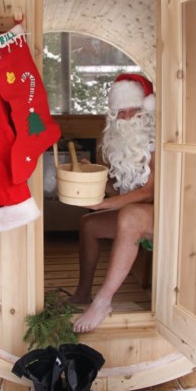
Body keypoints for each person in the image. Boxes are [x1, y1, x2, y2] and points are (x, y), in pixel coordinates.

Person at [71, 74, 156, 333]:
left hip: (166, 215)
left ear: (146, 112)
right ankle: (83, 293)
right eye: (121, 111)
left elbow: (147, 192)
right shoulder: (118, 146)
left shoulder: (156, 143)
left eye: (134, 110)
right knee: (89, 224)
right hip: (136, 211)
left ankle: (103, 301)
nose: (128, 117)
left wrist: (103, 204)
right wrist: (92, 179)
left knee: (129, 215)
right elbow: (119, 190)